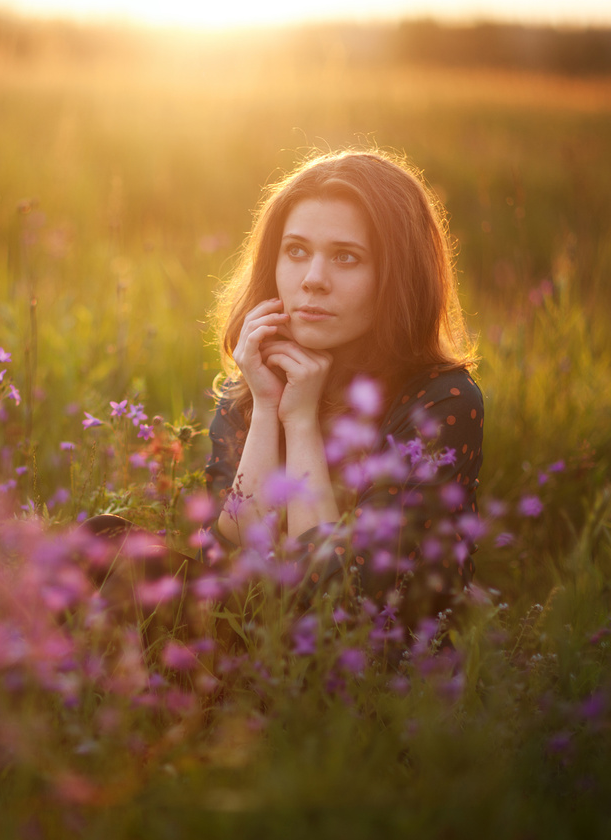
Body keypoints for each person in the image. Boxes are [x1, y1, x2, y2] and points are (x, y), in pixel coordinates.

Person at [204, 149, 482, 618]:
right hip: (249, 639)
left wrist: (301, 420)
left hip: (366, 672)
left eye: (346, 258)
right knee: (105, 542)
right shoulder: (260, 377)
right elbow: (227, 558)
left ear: (397, 276)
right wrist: (269, 409)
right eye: (296, 251)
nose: (313, 280)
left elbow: (341, 605)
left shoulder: (442, 402)